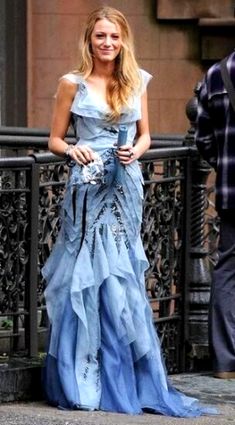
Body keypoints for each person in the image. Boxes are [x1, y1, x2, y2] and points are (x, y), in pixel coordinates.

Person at [42, 6, 217, 416]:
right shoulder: (71, 83)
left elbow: (146, 136)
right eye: (100, 36)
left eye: (114, 37)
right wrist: (73, 149)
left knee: (121, 274)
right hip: (87, 187)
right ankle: (80, 380)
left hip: (125, 188)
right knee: (85, 274)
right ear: (89, 40)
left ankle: (128, 379)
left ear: (124, 42)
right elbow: (54, 139)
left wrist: (133, 153)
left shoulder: (136, 81)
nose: (107, 43)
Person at [196, 50, 235, 379]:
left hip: (230, 192)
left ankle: (225, 363)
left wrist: (225, 168)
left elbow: (203, 138)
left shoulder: (215, 74)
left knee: (227, 272)